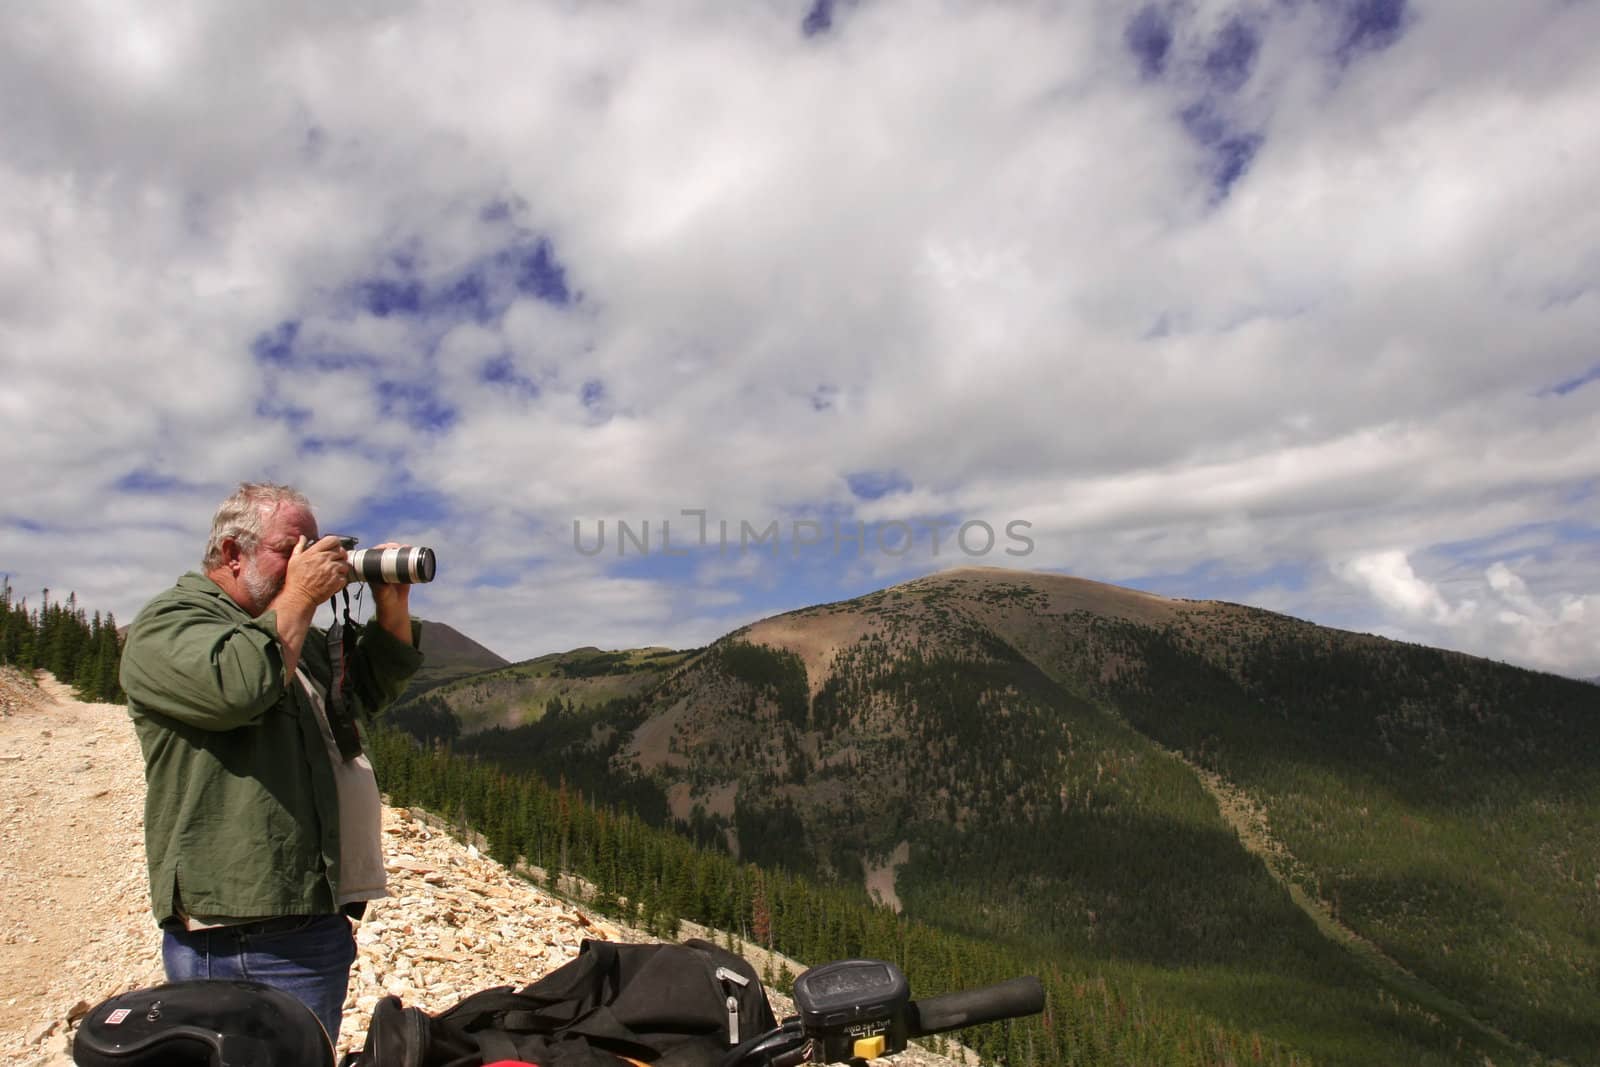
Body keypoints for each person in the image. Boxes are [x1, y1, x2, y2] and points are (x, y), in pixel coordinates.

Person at [119, 482, 423, 1046]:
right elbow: (237, 687)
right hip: (244, 931)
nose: (309, 561)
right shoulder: (171, 624)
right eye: (291, 548)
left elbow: (369, 691)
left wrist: (391, 604)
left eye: (316, 546)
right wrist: (302, 596)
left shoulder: (290, 633)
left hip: (310, 912)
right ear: (232, 553)